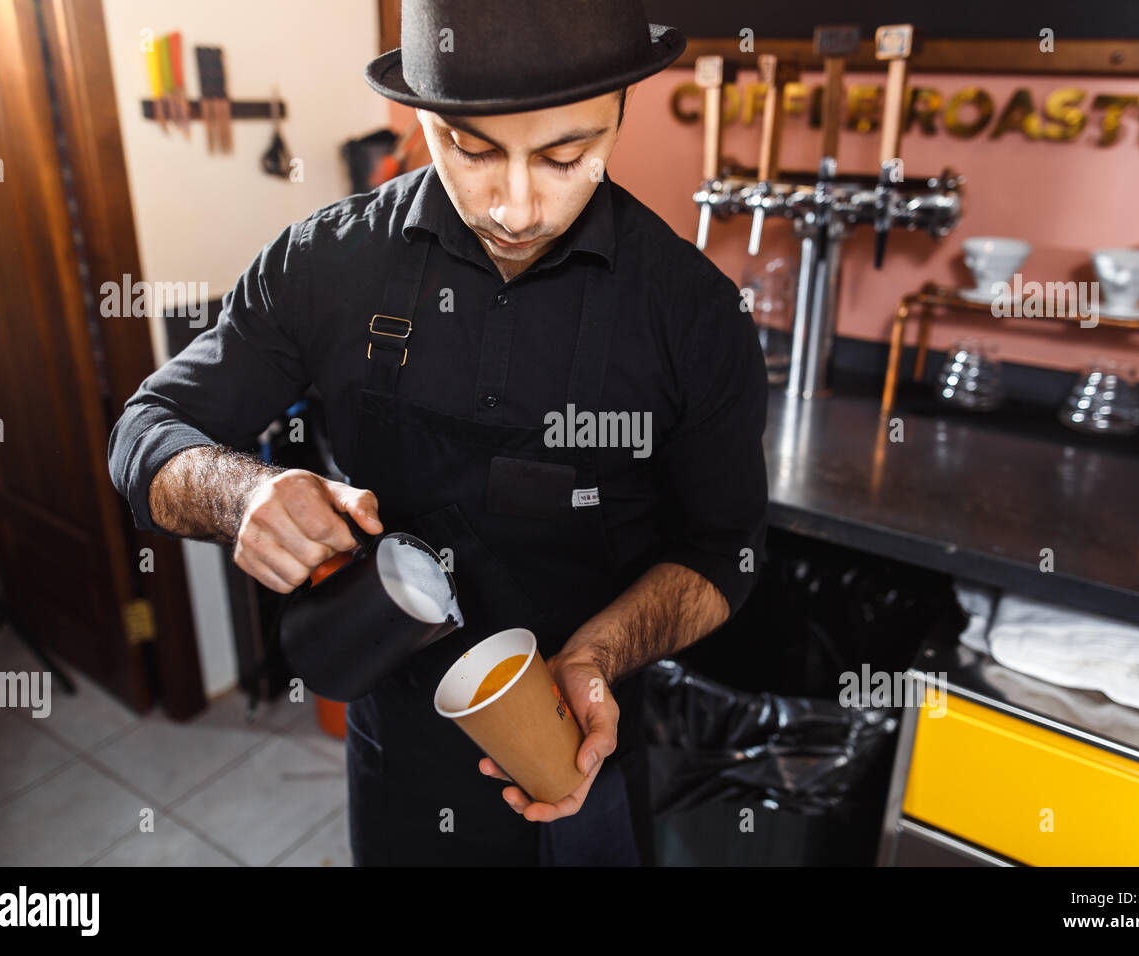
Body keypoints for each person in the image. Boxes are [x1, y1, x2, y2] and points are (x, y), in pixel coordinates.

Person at [108, 0, 769, 866]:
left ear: (620, 112)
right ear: (420, 115)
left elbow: (725, 555)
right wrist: (244, 496)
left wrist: (600, 653)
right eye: (474, 149)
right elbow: (143, 435)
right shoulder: (328, 264)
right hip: (398, 760)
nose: (519, 206)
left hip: (582, 749)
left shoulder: (692, 314)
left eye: (567, 155)